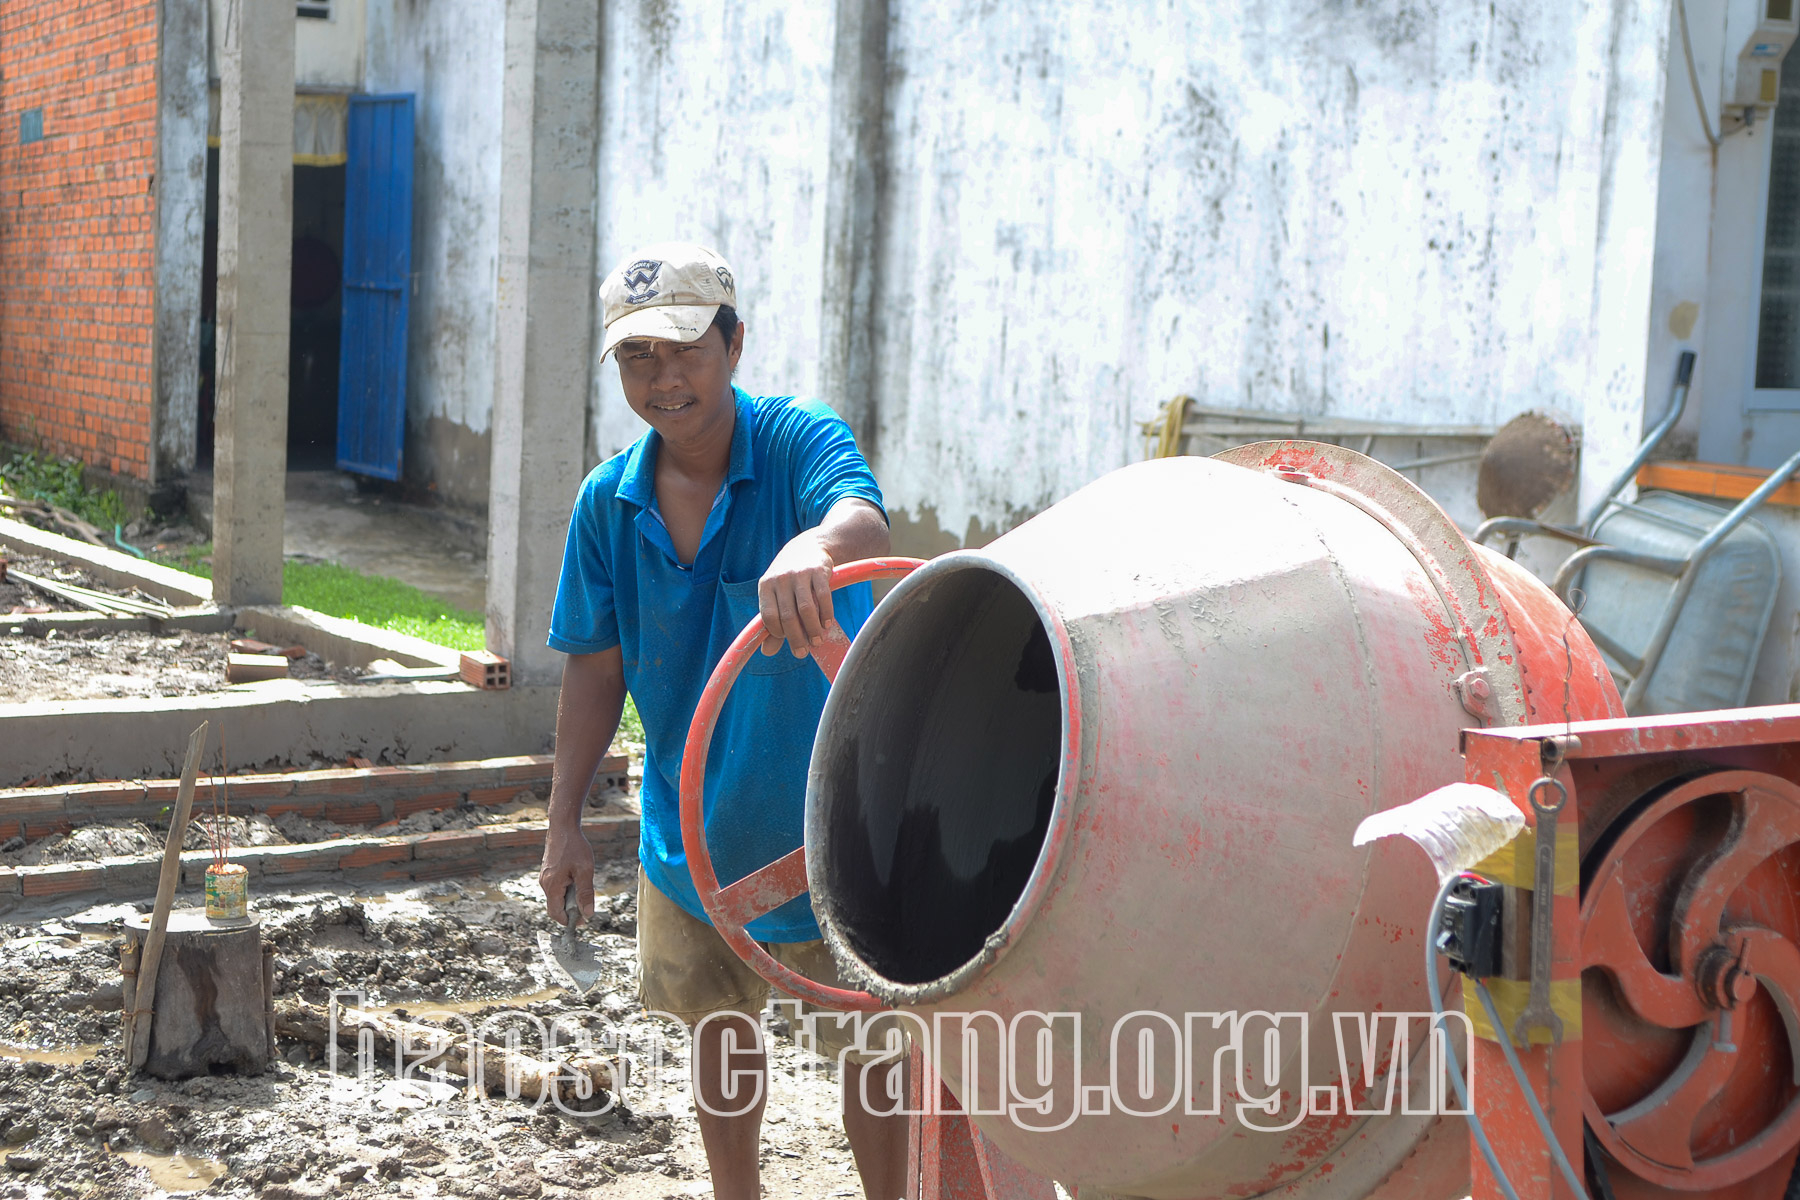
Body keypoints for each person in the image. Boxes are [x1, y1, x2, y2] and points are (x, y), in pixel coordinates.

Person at [537, 242, 906, 1199]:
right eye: (637, 359)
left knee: (871, 1046)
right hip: (692, 832)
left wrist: (813, 547)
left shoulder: (795, 443)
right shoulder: (606, 505)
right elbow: (595, 663)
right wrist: (565, 821)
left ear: (734, 344)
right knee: (718, 1032)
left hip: (838, 828)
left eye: (686, 352)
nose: (664, 380)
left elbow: (863, 522)